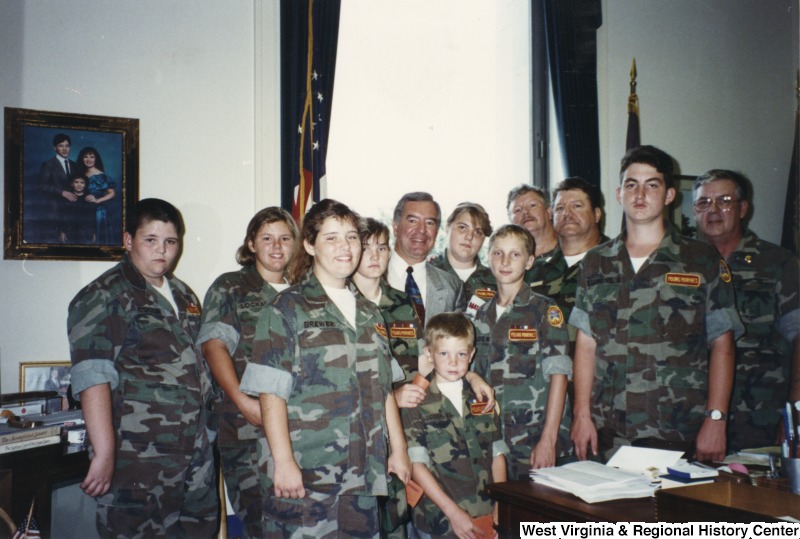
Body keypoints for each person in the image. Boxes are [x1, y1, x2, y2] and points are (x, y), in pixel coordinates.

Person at [239, 199, 411, 538]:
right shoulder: (286, 309)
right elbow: (271, 394)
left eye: (350, 237)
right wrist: (284, 462)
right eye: (331, 238)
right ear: (310, 244)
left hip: (364, 473)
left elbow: (384, 388)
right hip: (307, 471)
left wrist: (400, 451)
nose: (345, 247)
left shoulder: (370, 313)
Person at [570, 146, 743, 463]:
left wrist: (716, 419)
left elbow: (722, 342)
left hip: (678, 431)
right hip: (607, 429)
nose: (640, 193)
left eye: (652, 184)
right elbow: (586, 343)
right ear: (619, 193)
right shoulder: (596, 263)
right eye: (631, 184)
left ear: (669, 195)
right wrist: (581, 415)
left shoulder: (699, 259)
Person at [67, 198, 217, 538]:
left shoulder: (183, 294)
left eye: (170, 241)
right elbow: (93, 377)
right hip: (138, 456)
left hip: (194, 451)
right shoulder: (104, 295)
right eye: (150, 240)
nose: (161, 251)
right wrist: (105, 453)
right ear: (128, 240)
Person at [197, 207, 299, 537]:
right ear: (251, 244)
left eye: (285, 238)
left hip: (303, 430)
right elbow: (214, 346)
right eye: (267, 238)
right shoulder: (232, 287)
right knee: (263, 524)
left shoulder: (306, 290)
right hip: (248, 430)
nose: (276, 246)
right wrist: (242, 402)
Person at [693, 169, 800, 450]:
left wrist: (794, 414)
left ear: (742, 209)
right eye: (703, 203)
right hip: (688, 415)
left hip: (759, 415)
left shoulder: (778, 263)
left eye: (724, 201)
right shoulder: (680, 266)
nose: (713, 210)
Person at [473, 224, 572, 479]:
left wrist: (548, 440)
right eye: (498, 253)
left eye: (515, 254)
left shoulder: (544, 311)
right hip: (492, 441)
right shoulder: (479, 316)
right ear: (488, 257)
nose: (505, 261)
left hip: (533, 438)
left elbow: (559, 375)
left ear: (529, 261)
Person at [402, 312, 508, 539]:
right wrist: (452, 512)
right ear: (429, 353)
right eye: (444, 353)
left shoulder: (483, 397)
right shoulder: (417, 402)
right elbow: (416, 465)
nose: (453, 362)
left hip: (486, 510)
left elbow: (497, 453)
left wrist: (501, 504)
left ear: (471, 354)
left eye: (461, 354)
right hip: (438, 518)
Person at [530, 177, 608, 343]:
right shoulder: (533, 272)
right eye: (560, 208)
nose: (567, 213)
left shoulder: (617, 262)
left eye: (577, 206)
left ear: (596, 214)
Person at [387, 192, 466, 326]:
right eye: (412, 221)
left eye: (429, 223)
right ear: (395, 227)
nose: (422, 230)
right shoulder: (369, 276)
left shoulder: (453, 287)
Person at [429, 202, 496, 319]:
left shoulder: (497, 281)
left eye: (478, 232)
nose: (469, 236)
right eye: (462, 227)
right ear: (447, 228)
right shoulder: (424, 274)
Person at [506, 185, 558, 282]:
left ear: (549, 212)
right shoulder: (507, 266)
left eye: (532, 205)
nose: (525, 212)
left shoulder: (570, 252)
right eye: (518, 210)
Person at [36, 133, 79, 242]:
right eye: (61, 145)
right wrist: (61, 192)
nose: (65, 149)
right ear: (55, 148)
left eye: (67, 145)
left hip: (72, 212)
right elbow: (41, 186)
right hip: (55, 211)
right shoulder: (48, 164)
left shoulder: (74, 165)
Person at [76, 146, 117, 245]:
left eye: (92, 157)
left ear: (96, 159)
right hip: (82, 212)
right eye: (86, 157)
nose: (88, 159)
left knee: (97, 240)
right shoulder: (80, 173)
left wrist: (98, 200)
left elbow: (112, 193)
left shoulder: (101, 175)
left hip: (97, 212)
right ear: (82, 159)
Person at [59, 176, 96, 244]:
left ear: (85, 185)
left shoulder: (89, 199)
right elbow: (63, 217)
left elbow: (93, 218)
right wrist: (63, 231)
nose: (79, 185)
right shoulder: (67, 199)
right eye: (76, 182)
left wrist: (94, 233)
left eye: (82, 183)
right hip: (70, 231)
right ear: (72, 184)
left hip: (86, 232)